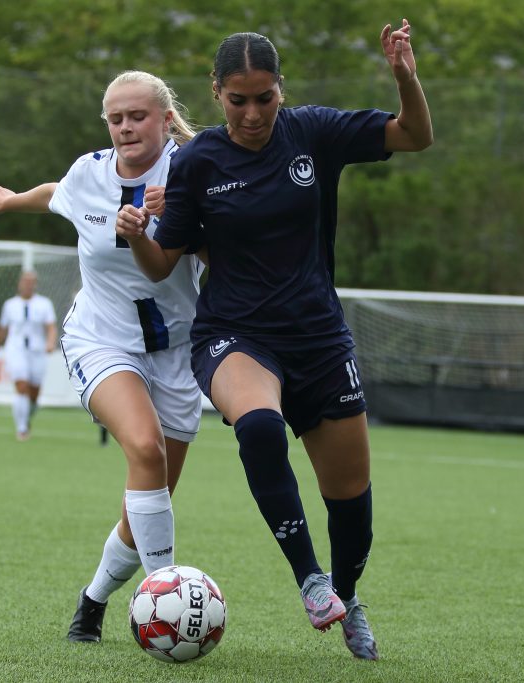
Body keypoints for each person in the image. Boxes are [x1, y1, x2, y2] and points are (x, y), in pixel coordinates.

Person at [116, 22, 433, 660]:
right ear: (216, 93)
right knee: (258, 426)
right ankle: (310, 578)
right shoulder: (199, 160)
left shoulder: (313, 131)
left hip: (318, 338)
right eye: (239, 100)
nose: (254, 113)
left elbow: (414, 135)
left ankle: (346, 595)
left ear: (280, 91)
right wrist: (138, 234)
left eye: (265, 98)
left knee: (352, 505)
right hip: (234, 335)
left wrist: (405, 74)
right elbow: (162, 263)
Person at [0, 70, 204, 643]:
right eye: (115, 117)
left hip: (177, 352)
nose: (126, 127)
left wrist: (179, 215)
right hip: (101, 339)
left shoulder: (195, 170)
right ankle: (166, 603)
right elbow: (56, 193)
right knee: (145, 451)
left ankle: (93, 600)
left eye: (138, 116)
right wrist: (10, 201)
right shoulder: (90, 172)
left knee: (147, 502)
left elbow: (228, 242)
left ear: (166, 119)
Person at [0, 271, 58, 441]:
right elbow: (3, 328)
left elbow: (51, 327)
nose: (28, 285)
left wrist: (50, 342)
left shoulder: (44, 304)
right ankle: (21, 429)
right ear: (19, 283)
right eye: (25, 281)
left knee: (34, 394)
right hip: (16, 349)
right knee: (21, 387)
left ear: (35, 284)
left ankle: (26, 418)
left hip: (37, 351)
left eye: (31, 282)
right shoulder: (10, 305)